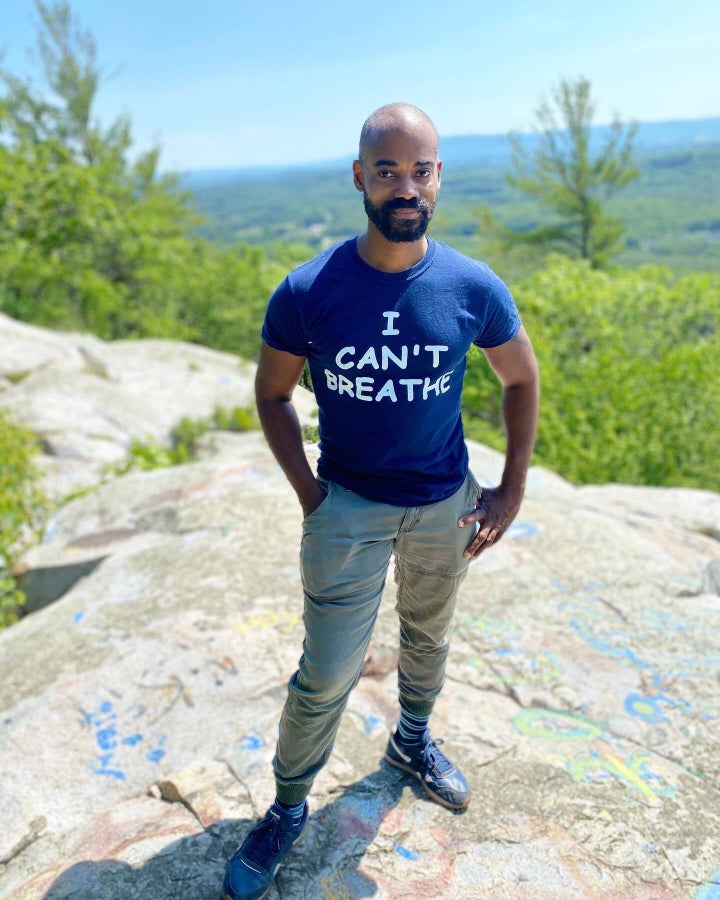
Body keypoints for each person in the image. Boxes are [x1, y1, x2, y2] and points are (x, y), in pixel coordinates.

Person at [222, 102, 539, 900]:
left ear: (439, 179)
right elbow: (272, 397)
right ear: (360, 177)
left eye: (421, 169)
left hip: (444, 506)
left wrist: (509, 491)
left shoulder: (471, 287)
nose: (406, 186)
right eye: (389, 170)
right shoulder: (309, 290)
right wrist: (311, 495)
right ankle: (288, 807)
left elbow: (521, 379)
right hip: (350, 508)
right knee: (325, 674)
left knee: (428, 642)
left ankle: (412, 740)